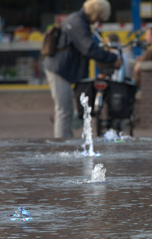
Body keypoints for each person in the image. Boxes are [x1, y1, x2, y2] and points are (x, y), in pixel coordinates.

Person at [44, 0, 121, 138]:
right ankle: (62, 145)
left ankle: (65, 140)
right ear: (96, 14)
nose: (98, 21)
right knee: (64, 110)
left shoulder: (76, 19)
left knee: (66, 109)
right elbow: (89, 48)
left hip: (63, 68)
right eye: (99, 18)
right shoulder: (78, 23)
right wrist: (112, 58)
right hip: (59, 69)